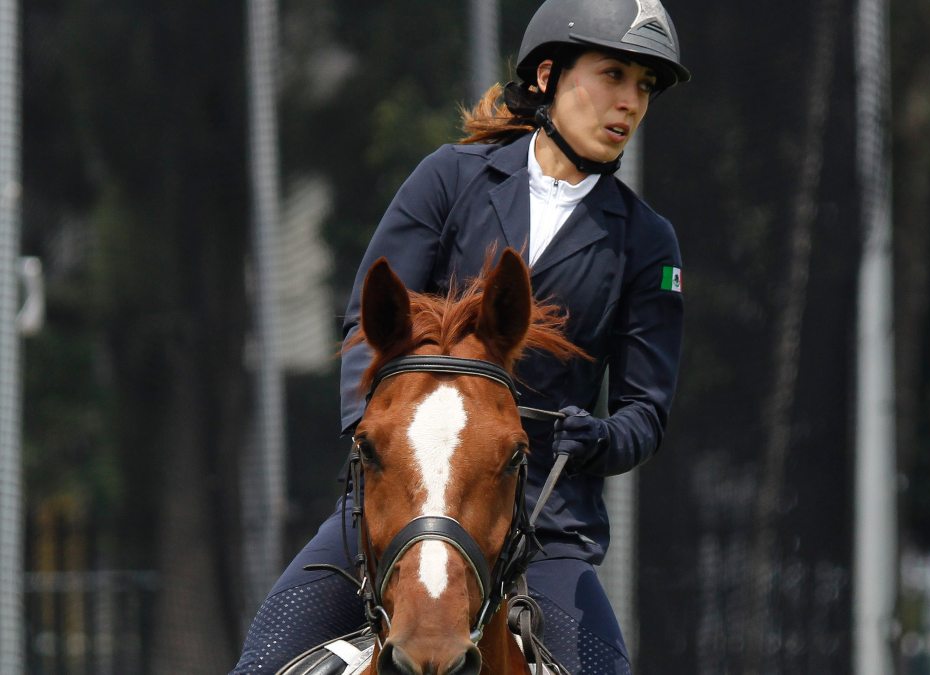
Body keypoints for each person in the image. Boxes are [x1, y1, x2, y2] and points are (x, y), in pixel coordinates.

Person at [232, 0, 689, 672]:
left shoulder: (648, 242)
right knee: (261, 659)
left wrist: (599, 438)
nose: (629, 103)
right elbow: (368, 322)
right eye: (613, 74)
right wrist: (382, 438)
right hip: (402, 502)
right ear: (546, 76)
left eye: (643, 87)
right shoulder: (449, 179)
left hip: (545, 524)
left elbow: (645, 412)